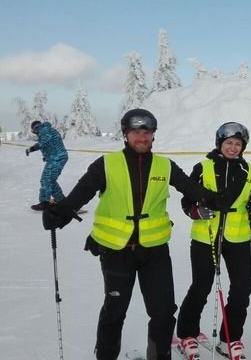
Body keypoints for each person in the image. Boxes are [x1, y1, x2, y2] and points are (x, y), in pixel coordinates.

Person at [42, 108, 234, 360]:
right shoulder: (107, 164)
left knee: (163, 311)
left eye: (146, 132)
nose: (141, 137)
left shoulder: (165, 165)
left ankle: (159, 356)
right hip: (116, 250)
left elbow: (189, 187)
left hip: (154, 251)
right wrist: (62, 212)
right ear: (125, 134)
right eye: (135, 132)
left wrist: (213, 199)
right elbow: (83, 190)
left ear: (153, 135)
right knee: (115, 310)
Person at [176, 122, 251, 360]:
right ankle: (187, 334)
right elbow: (186, 201)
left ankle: (230, 338)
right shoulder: (204, 167)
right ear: (220, 143)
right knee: (202, 286)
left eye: (238, 144)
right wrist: (195, 212)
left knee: (242, 288)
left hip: (238, 237)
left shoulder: (249, 172)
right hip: (206, 236)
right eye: (229, 143)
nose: (233, 148)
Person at [26, 120, 69, 210]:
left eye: (33, 131)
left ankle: (44, 202)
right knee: (50, 180)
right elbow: (49, 144)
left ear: (35, 128)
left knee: (47, 179)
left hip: (57, 158)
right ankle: (61, 201)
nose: (35, 133)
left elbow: (45, 140)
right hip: (55, 158)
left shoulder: (44, 130)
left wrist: (32, 148)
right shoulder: (46, 129)